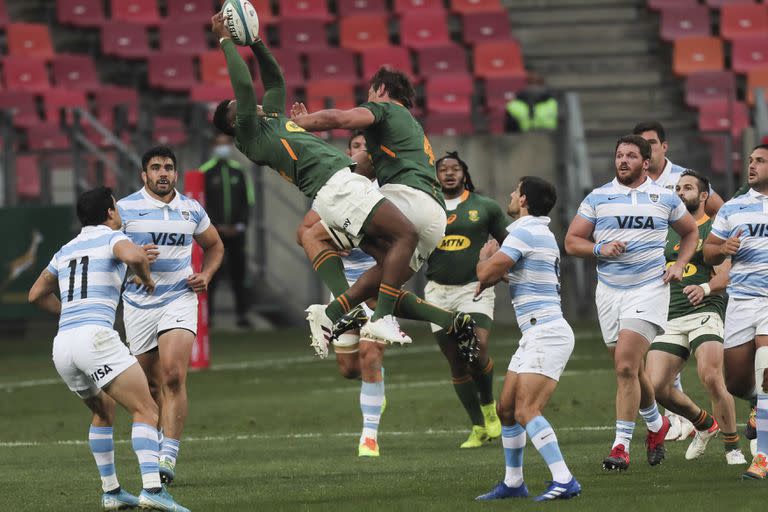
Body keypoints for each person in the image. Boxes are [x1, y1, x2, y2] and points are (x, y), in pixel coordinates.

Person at [210, 14, 454, 350]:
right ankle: (374, 316)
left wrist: (256, 42)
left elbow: (276, 82)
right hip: (336, 187)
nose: (252, 104)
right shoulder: (250, 135)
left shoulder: (274, 119)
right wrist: (226, 40)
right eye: (241, 107)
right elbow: (244, 88)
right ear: (236, 122)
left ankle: (336, 311)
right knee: (406, 234)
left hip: (343, 186)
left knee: (388, 259)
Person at [27, 187, 189, 512]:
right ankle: (153, 490)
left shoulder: (66, 249)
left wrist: (70, 312)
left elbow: (35, 294)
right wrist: (145, 276)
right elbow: (133, 256)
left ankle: (112, 491)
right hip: (96, 339)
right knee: (146, 409)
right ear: (111, 212)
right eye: (117, 208)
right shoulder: (112, 238)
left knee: (104, 410)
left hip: (63, 345)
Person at [565, 134, 699, 471]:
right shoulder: (598, 197)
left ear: (645, 161)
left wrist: (680, 265)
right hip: (609, 292)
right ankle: (657, 425)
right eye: (619, 155)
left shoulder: (664, 197)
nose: (623, 160)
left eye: (630, 156)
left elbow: (690, 232)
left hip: (649, 289)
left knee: (625, 366)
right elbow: (571, 241)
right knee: (633, 369)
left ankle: (620, 446)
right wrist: (599, 249)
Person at [117, 146, 225, 485]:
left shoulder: (190, 209)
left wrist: (205, 275)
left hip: (179, 298)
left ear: (176, 174)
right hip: (138, 304)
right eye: (155, 168)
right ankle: (156, 450)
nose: (163, 173)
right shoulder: (125, 210)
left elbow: (215, 245)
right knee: (149, 387)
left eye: (168, 168)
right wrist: (133, 260)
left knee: (174, 375)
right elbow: (107, 257)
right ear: (143, 175)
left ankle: (168, 458)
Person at [474, 176, 580, 501]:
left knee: (526, 410)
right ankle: (514, 482)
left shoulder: (523, 231)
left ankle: (564, 479)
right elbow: (520, 275)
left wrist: (485, 260)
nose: (509, 193)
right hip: (536, 332)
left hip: (546, 332)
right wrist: (497, 272)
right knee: (506, 409)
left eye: (515, 190)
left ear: (523, 200)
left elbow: (485, 274)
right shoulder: (539, 232)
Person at [646, 170, 746, 465]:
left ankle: (733, 448)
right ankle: (703, 424)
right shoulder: (664, 231)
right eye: (677, 187)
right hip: (670, 314)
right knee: (655, 388)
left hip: (706, 310)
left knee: (712, 377)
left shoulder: (714, 230)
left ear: (704, 196)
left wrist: (705, 289)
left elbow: (728, 273)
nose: (680, 192)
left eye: (687, 188)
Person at [634, 121, 726, 440]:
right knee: (651, 358)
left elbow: (720, 213)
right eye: (640, 146)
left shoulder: (684, 177)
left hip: (692, 273)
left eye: (651, 143)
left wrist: (713, 250)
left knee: (707, 369)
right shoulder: (635, 181)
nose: (646, 150)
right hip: (655, 272)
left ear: (664, 146)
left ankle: (696, 423)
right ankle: (684, 418)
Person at [424, 151, 508, 448]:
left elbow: (510, 243)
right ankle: (477, 427)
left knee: (477, 346)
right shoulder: (425, 206)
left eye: (454, 168)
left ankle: (489, 407)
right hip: (437, 292)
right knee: (456, 362)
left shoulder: (484, 207)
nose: (448, 173)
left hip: (474, 289)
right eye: (443, 169)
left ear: (464, 173)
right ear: (435, 175)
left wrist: (501, 267)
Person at [703, 144, 768, 479]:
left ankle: (763, 458)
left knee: (766, 366)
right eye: (751, 161)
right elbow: (709, 251)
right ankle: (757, 404)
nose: (751, 166)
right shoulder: (734, 207)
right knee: (739, 382)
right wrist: (722, 249)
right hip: (741, 302)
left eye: (760, 161)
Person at [200, 133, 255, 328]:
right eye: (219, 144)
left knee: (239, 274)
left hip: (237, 234)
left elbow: (247, 201)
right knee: (211, 275)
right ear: (213, 146)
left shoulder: (238, 171)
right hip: (214, 236)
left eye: (226, 144)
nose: (223, 147)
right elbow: (200, 205)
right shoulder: (205, 172)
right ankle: (208, 318)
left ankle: (242, 315)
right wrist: (215, 227)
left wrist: (240, 225)